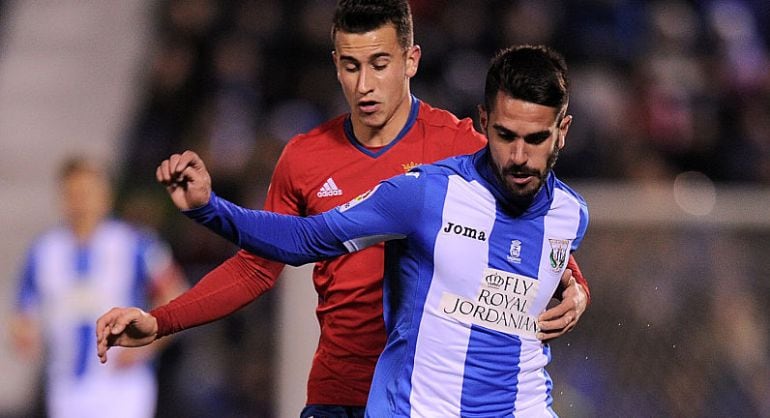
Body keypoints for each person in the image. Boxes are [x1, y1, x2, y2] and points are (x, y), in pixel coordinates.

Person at [97, 1, 589, 416]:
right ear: (335, 64)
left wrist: (576, 284)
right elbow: (255, 269)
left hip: (429, 396)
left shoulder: (461, 145)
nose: (364, 84)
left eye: (380, 63)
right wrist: (162, 320)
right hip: (339, 392)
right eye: (351, 66)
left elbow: (525, 225)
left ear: (411, 60)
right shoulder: (304, 157)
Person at [10, 157, 187, 418]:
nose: (81, 202)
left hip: (123, 383)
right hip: (66, 383)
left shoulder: (136, 243)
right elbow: (23, 310)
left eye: (88, 193)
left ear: (105, 196)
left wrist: (146, 344)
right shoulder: (43, 251)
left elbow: (177, 295)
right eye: (74, 194)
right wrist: (25, 333)